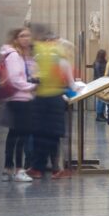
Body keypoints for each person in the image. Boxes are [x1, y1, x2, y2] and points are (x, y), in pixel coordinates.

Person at [31, 24, 75, 177]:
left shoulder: (38, 55)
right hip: (56, 99)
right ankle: (56, 168)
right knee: (54, 136)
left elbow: (33, 76)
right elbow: (71, 83)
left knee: (40, 135)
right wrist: (74, 89)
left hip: (39, 98)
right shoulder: (60, 57)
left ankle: (38, 168)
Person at [0, 26, 38, 184]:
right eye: (22, 36)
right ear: (16, 39)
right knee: (20, 135)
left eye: (28, 35)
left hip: (21, 98)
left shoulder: (23, 55)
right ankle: (18, 169)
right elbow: (15, 79)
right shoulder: (14, 55)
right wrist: (31, 87)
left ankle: (9, 167)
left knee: (15, 134)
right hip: (19, 99)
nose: (26, 39)